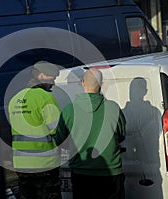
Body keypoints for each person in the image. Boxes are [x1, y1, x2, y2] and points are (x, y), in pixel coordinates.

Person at [54, 68, 126, 199]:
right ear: (102, 84)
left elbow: (59, 141)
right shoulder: (113, 108)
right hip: (111, 173)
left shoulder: (69, 110)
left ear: (83, 83)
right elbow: (121, 135)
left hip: (81, 174)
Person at [8, 61, 62, 199]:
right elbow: (57, 130)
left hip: (21, 164)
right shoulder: (45, 97)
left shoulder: (16, 99)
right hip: (44, 163)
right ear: (42, 76)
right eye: (52, 78)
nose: (53, 83)